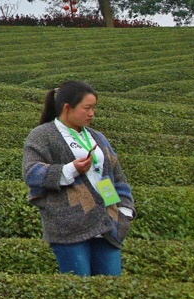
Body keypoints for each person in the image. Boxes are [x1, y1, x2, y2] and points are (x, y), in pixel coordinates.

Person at [23, 80, 135, 276]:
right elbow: (32, 172)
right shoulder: (42, 135)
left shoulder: (97, 137)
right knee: (80, 290)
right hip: (69, 227)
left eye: (94, 108)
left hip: (107, 224)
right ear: (67, 108)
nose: (92, 113)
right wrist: (71, 169)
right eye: (87, 108)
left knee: (111, 288)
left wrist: (124, 211)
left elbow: (117, 175)